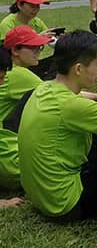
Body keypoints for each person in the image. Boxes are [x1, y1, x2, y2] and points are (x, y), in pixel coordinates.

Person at [18, 30, 97, 221]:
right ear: (78, 69)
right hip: (69, 206)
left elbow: (93, 98)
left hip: (43, 198)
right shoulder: (72, 105)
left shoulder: (45, 88)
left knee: (96, 121)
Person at [0, 27, 52, 190]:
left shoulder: (12, 72)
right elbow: (59, 95)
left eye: (39, 47)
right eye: (33, 48)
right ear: (15, 50)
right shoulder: (17, 74)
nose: (38, 52)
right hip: (10, 152)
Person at [1, 0, 61, 78]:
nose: (36, 9)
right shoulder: (7, 24)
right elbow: (6, 51)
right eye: (32, 6)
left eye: (38, 6)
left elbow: (50, 40)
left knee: (62, 59)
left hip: (29, 64)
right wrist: (38, 37)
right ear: (19, 5)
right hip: (13, 67)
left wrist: (62, 41)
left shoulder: (36, 21)